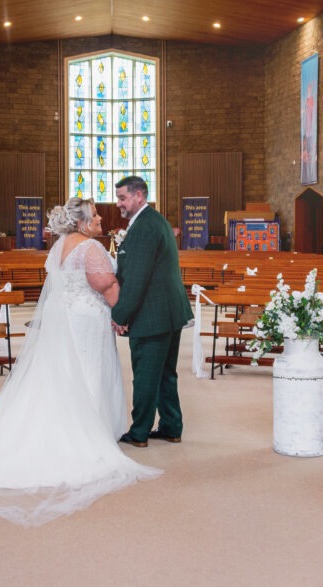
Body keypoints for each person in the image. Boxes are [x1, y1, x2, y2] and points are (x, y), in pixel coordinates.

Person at [0, 197, 160, 526]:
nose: (99, 220)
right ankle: (86, 430)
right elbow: (105, 284)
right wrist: (122, 314)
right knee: (86, 370)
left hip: (62, 315)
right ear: (81, 222)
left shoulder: (60, 246)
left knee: (61, 372)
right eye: (94, 215)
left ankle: (68, 421)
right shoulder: (90, 248)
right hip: (83, 319)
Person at [111, 176, 193, 447]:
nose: (119, 203)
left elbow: (137, 278)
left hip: (152, 315)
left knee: (146, 375)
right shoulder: (154, 221)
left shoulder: (144, 226)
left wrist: (120, 314)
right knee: (165, 373)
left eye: (123, 198)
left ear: (139, 196)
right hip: (168, 312)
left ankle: (139, 432)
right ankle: (171, 426)